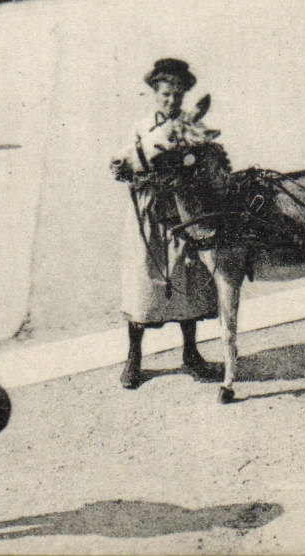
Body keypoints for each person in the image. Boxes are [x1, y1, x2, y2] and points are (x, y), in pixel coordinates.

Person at [110, 58, 222, 389]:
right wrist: (125, 171)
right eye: (165, 95)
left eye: (177, 95)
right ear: (154, 94)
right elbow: (125, 162)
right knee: (145, 283)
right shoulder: (143, 128)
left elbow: (203, 165)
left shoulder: (190, 129)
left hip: (181, 213)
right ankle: (134, 358)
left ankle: (191, 354)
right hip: (149, 214)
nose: (171, 101)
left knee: (187, 277)